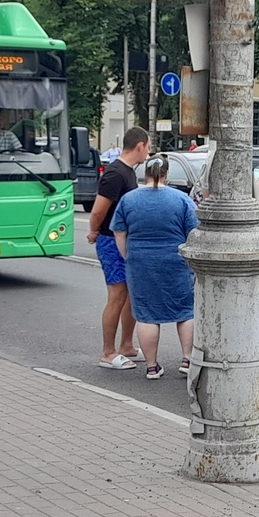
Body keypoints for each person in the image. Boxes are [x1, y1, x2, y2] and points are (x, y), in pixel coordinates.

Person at [111, 154, 200, 379]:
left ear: (145, 174)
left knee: (147, 314)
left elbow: (119, 232)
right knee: (185, 310)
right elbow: (193, 233)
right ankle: (188, 359)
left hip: (141, 263)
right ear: (167, 174)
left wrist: (128, 256)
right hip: (176, 262)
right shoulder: (181, 200)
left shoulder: (128, 200)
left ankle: (151, 366)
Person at [87, 126, 150, 369]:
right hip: (110, 240)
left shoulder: (128, 172)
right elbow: (99, 210)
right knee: (117, 296)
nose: (148, 152)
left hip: (123, 240)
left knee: (129, 294)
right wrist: (93, 230)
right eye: (148, 146)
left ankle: (126, 345)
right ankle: (108, 352)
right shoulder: (115, 174)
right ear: (140, 146)